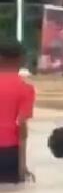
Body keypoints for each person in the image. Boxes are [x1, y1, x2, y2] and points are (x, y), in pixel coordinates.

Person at [0, 41, 35, 183]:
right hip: (8, 155)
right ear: (21, 60)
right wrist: (22, 167)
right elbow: (21, 127)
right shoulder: (26, 89)